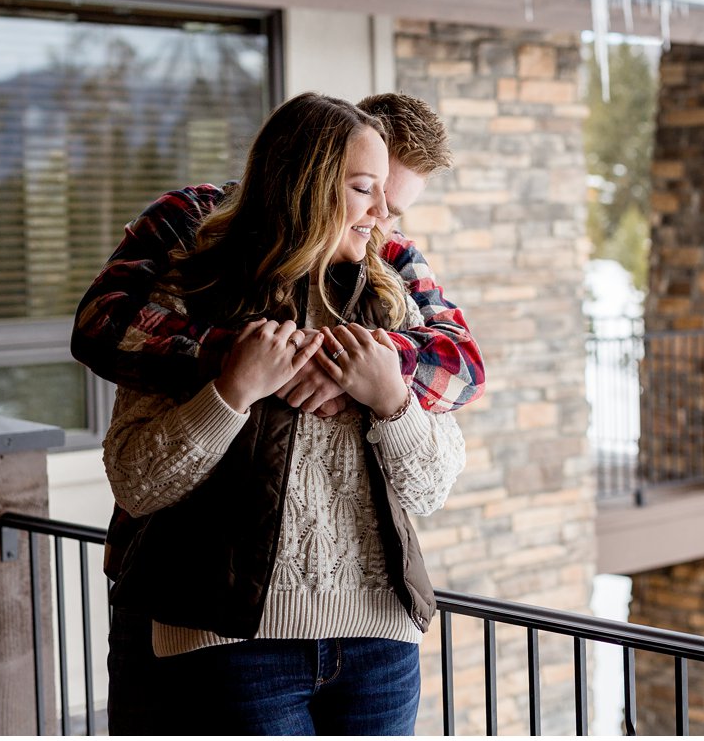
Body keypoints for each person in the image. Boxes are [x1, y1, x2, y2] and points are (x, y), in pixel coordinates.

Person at [75, 92, 483, 735]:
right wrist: (233, 383)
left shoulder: (388, 289)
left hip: (381, 644)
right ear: (310, 181)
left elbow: (439, 455)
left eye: (392, 206)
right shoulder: (194, 263)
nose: (383, 222)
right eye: (366, 190)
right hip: (228, 635)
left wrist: (387, 394)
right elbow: (129, 446)